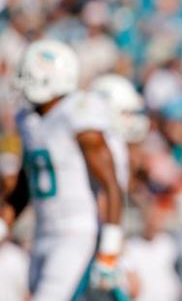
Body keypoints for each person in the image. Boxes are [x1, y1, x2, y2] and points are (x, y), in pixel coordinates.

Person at [2, 39, 125, 300]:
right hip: (44, 229)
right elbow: (26, 183)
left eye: (28, 74)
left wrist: (110, 249)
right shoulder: (30, 119)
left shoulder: (78, 111)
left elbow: (111, 184)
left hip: (77, 230)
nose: (22, 81)